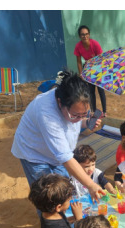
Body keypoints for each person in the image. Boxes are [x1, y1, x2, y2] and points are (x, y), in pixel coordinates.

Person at [12, 70, 107, 198]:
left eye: (84, 114)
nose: (79, 119)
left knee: (65, 190)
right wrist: (91, 185)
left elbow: (71, 123)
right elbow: (65, 157)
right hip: (34, 153)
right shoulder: (46, 113)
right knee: (48, 196)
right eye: (75, 115)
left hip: (57, 153)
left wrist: (86, 122)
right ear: (60, 103)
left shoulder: (72, 106)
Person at [74, 25, 106, 113]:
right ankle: (93, 111)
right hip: (88, 69)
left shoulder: (95, 44)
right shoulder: (78, 46)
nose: (85, 36)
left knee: (100, 90)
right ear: (79, 36)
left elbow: (101, 59)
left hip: (98, 67)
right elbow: (79, 62)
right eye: (82, 34)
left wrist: (93, 65)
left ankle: (104, 111)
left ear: (89, 34)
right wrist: (81, 73)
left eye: (86, 34)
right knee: (91, 91)